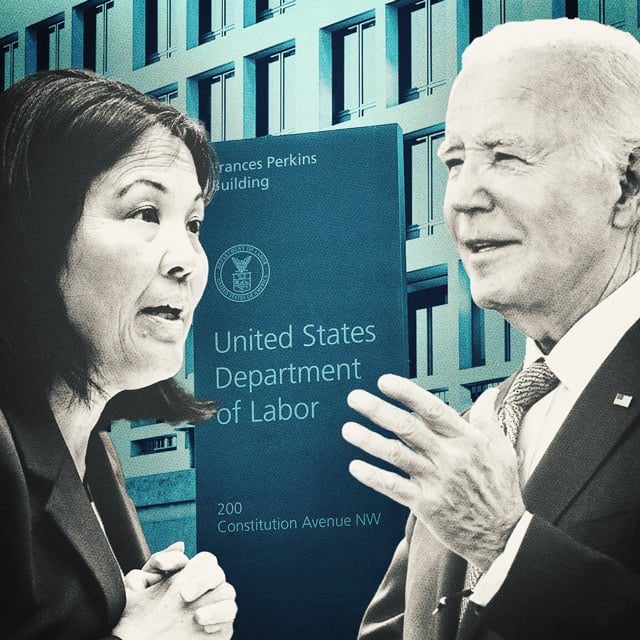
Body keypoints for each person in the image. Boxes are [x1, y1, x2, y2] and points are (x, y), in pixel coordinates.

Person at [342, 17, 640, 640]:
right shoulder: (477, 426)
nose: (462, 198)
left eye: (506, 156)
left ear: (627, 186)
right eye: (454, 161)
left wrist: (506, 544)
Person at [0, 69, 237, 639]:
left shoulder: (95, 451)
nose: (187, 261)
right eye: (145, 213)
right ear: (32, 233)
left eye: (194, 223)